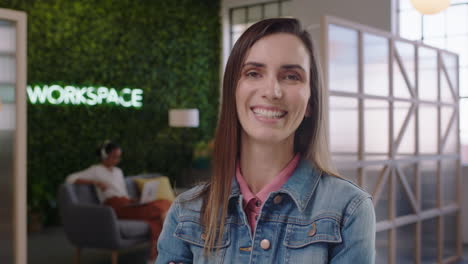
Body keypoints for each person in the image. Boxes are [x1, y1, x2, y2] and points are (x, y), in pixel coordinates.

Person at [156, 18, 376, 264]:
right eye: (253, 73)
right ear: (233, 91)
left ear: (310, 103)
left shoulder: (349, 210)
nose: (272, 91)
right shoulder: (186, 211)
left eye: (291, 76)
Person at [66, 140, 171, 263]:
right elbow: (70, 178)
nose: (118, 160)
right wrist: (95, 182)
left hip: (127, 204)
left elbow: (123, 193)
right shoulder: (95, 170)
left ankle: (154, 257)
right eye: (115, 157)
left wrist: (134, 200)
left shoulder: (118, 172)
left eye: (119, 157)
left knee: (161, 209)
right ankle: (160, 255)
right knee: (161, 208)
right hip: (114, 207)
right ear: (105, 156)